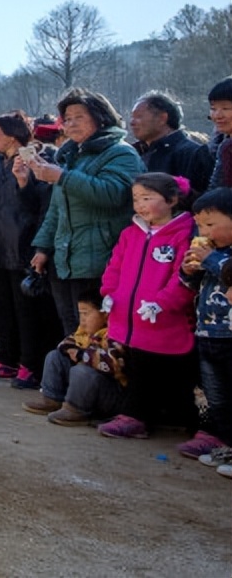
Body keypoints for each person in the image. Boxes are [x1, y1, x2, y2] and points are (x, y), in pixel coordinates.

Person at [28, 89, 144, 338]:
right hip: (65, 259)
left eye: (78, 117)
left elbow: (114, 195)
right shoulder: (71, 156)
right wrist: (43, 248)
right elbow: (56, 209)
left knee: (98, 333)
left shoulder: (120, 153)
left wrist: (63, 177)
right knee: (72, 331)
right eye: (67, 119)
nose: (71, 124)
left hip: (101, 260)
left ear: (100, 117)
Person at [92, 173, 198, 440]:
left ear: (171, 200)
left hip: (165, 321)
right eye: (136, 199)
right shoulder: (130, 233)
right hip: (130, 318)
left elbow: (184, 278)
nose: (140, 205)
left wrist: (162, 304)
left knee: (164, 370)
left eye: (147, 198)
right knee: (137, 367)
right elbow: (114, 267)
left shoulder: (184, 235)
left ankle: (160, 418)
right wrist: (109, 293)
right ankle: (136, 417)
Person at [0, 111, 56, 385]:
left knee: (25, 311)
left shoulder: (38, 160)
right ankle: (6, 358)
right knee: (2, 307)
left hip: (21, 247)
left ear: (14, 135)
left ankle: (29, 364)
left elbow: (41, 205)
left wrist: (23, 182)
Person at [178, 187, 232, 466]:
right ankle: (227, 444)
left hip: (229, 334)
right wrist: (188, 271)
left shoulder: (221, 256)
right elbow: (192, 287)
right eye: (200, 225)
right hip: (207, 333)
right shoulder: (212, 253)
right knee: (217, 398)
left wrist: (209, 259)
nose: (204, 231)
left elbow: (227, 271)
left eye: (211, 224)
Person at [21, 290, 125, 425]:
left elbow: (114, 363)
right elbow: (64, 344)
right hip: (87, 391)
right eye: (80, 314)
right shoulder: (83, 334)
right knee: (54, 357)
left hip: (109, 395)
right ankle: (52, 399)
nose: (82, 319)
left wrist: (83, 355)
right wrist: (74, 351)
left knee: (82, 371)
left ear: (105, 314)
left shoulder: (114, 334)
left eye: (86, 314)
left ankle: (76, 409)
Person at [129, 91, 214, 194]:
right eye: (132, 117)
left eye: (139, 116)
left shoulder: (192, 153)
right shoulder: (134, 153)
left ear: (162, 118)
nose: (132, 122)